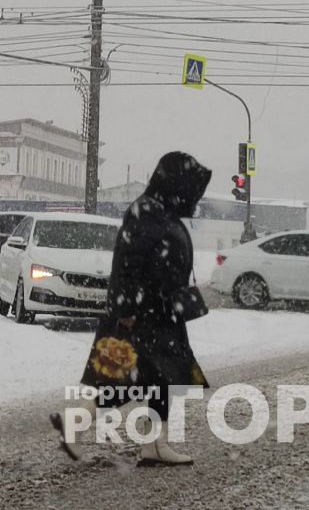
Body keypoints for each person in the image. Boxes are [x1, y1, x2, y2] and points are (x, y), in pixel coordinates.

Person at [53, 151, 213, 466]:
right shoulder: (148, 213)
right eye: (190, 187)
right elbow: (127, 264)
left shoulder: (160, 211)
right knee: (135, 380)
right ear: (174, 182)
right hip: (144, 314)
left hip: (159, 311)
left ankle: (153, 445)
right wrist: (126, 308)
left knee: (158, 381)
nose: (193, 196)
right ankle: (80, 423)